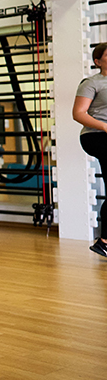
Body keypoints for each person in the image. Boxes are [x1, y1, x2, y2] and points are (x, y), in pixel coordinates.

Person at [72, 41, 107, 259]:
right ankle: (104, 241)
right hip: (96, 136)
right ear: (98, 61)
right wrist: (105, 126)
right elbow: (79, 113)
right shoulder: (92, 83)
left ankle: (104, 242)